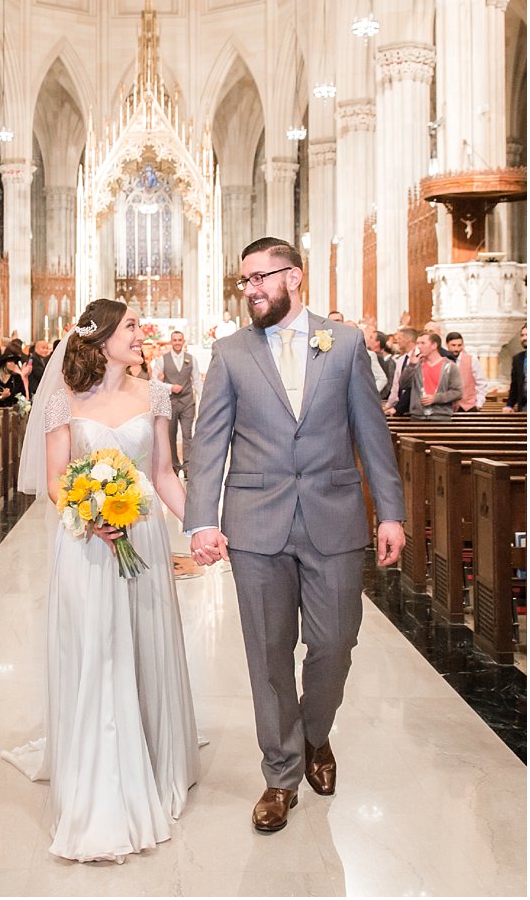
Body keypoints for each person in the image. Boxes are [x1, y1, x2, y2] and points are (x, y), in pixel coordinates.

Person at [185, 237, 405, 835]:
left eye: (261, 277)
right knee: (268, 654)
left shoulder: (345, 343)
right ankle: (281, 775)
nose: (252, 289)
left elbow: (371, 434)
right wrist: (203, 520)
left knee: (336, 643)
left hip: (333, 518)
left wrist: (390, 512)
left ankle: (315, 734)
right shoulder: (229, 353)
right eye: (245, 280)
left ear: (295, 276)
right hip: (257, 524)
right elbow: (209, 443)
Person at [3, 299, 199, 863]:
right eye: (133, 326)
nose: (143, 334)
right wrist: (91, 516)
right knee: (98, 651)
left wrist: (204, 526)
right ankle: (99, 773)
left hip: (142, 537)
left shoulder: (156, 394)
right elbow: (58, 479)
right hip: (87, 542)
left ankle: (153, 752)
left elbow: (162, 474)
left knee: (142, 643)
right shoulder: (64, 400)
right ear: (102, 337)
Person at [151, 330, 198, 477]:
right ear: (171, 342)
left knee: (187, 434)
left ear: (183, 341)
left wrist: (204, 398)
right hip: (170, 402)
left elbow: (197, 380)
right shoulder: (162, 360)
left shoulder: (191, 359)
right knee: (170, 435)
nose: (177, 342)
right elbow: (154, 381)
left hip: (187, 402)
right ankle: (174, 466)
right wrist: (170, 387)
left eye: (179, 340)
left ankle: (188, 466)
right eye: (175, 340)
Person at [407, 332, 462, 420]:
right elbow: (403, 384)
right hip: (418, 416)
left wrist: (436, 398)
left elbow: (458, 392)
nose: (419, 346)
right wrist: (411, 366)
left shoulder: (450, 366)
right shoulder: (416, 365)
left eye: (423, 343)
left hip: (441, 416)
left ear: (434, 345)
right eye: (418, 343)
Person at [443, 332, 486, 411]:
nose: (456, 349)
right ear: (447, 345)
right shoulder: (442, 360)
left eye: (459, 345)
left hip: (469, 406)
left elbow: (481, 383)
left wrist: (479, 403)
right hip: (447, 407)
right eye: (453, 345)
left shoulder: (472, 359)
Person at [384, 327, 420, 416]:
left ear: (409, 339)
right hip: (399, 406)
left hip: (415, 406)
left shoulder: (420, 357)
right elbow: (396, 386)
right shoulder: (401, 359)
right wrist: (389, 405)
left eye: (400, 338)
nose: (397, 341)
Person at [508, 324, 527, 412]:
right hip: (524, 406)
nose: (524, 338)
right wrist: (509, 405)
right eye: (522, 335)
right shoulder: (518, 358)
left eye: (527, 335)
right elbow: (514, 386)